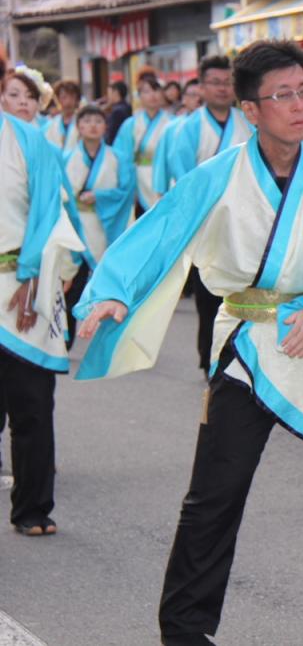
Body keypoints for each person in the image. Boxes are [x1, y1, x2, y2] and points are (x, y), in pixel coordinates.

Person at [74, 40, 303, 644]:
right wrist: (113, 291)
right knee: (214, 493)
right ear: (251, 109)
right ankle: (185, 628)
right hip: (250, 341)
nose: (299, 106)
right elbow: (161, 230)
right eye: (282, 96)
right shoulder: (217, 176)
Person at [0, 75, 84, 537]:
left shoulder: (30, 140)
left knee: (32, 404)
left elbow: (48, 211)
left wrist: (33, 274)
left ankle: (32, 506)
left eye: (27, 96)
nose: (19, 103)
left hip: (20, 285)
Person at [168, 55, 255, 376]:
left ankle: (241, 354)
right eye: (214, 82)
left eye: (226, 82)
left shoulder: (248, 121)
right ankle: (210, 357)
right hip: (209, 222)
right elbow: (184, 176)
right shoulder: (189, 128)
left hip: (248, 218)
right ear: (202, 86)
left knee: (245, 288)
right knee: (209, 294)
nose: (221, 89)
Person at [61, 104, 133, 342]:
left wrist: (99, 197)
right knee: (72, 282)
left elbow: (125, 191)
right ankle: (66, 335)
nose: (92, 125)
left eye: (98, 121)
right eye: (87, 121)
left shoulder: (118, 158)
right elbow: (59, 195)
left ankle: (111, 337)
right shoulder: (66, 158)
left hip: (106, 225)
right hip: (75, 227)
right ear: (78, 127)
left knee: (109, 284)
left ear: (105, 127)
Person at [112, 71, 174, 212]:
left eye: (156, 90)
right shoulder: (130, 124)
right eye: (146, 91)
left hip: (166, 178)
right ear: (139, 96)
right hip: (138, 179)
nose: (152, 95)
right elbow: (121, 156)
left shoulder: (172, 122)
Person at [43, 80, 81, 152]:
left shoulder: (83, 121)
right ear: (58, 99)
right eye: (64, 97)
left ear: (77, 100)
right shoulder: (50, 124)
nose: (68, 102)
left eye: (72, 97)